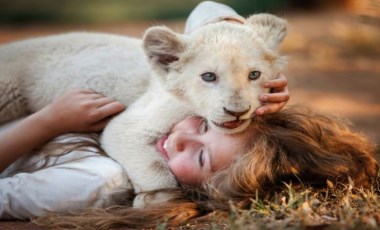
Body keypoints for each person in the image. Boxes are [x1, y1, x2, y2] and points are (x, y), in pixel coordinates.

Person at [0, 1, 290, 219]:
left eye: (254, 74)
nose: (238, 105)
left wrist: (254, 70)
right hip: (18, 75)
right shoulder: (179, 91)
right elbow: (123, 135)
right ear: (168, 62)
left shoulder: (97, 180)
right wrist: (159, 192)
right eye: (210, 77)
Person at [34, 106, 378, 229]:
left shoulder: (99, 180)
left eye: (201, 158)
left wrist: (46, 122)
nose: (179, 137)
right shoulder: (151, 115)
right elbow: (208, 12)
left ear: (205, 192)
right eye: (203, 124)